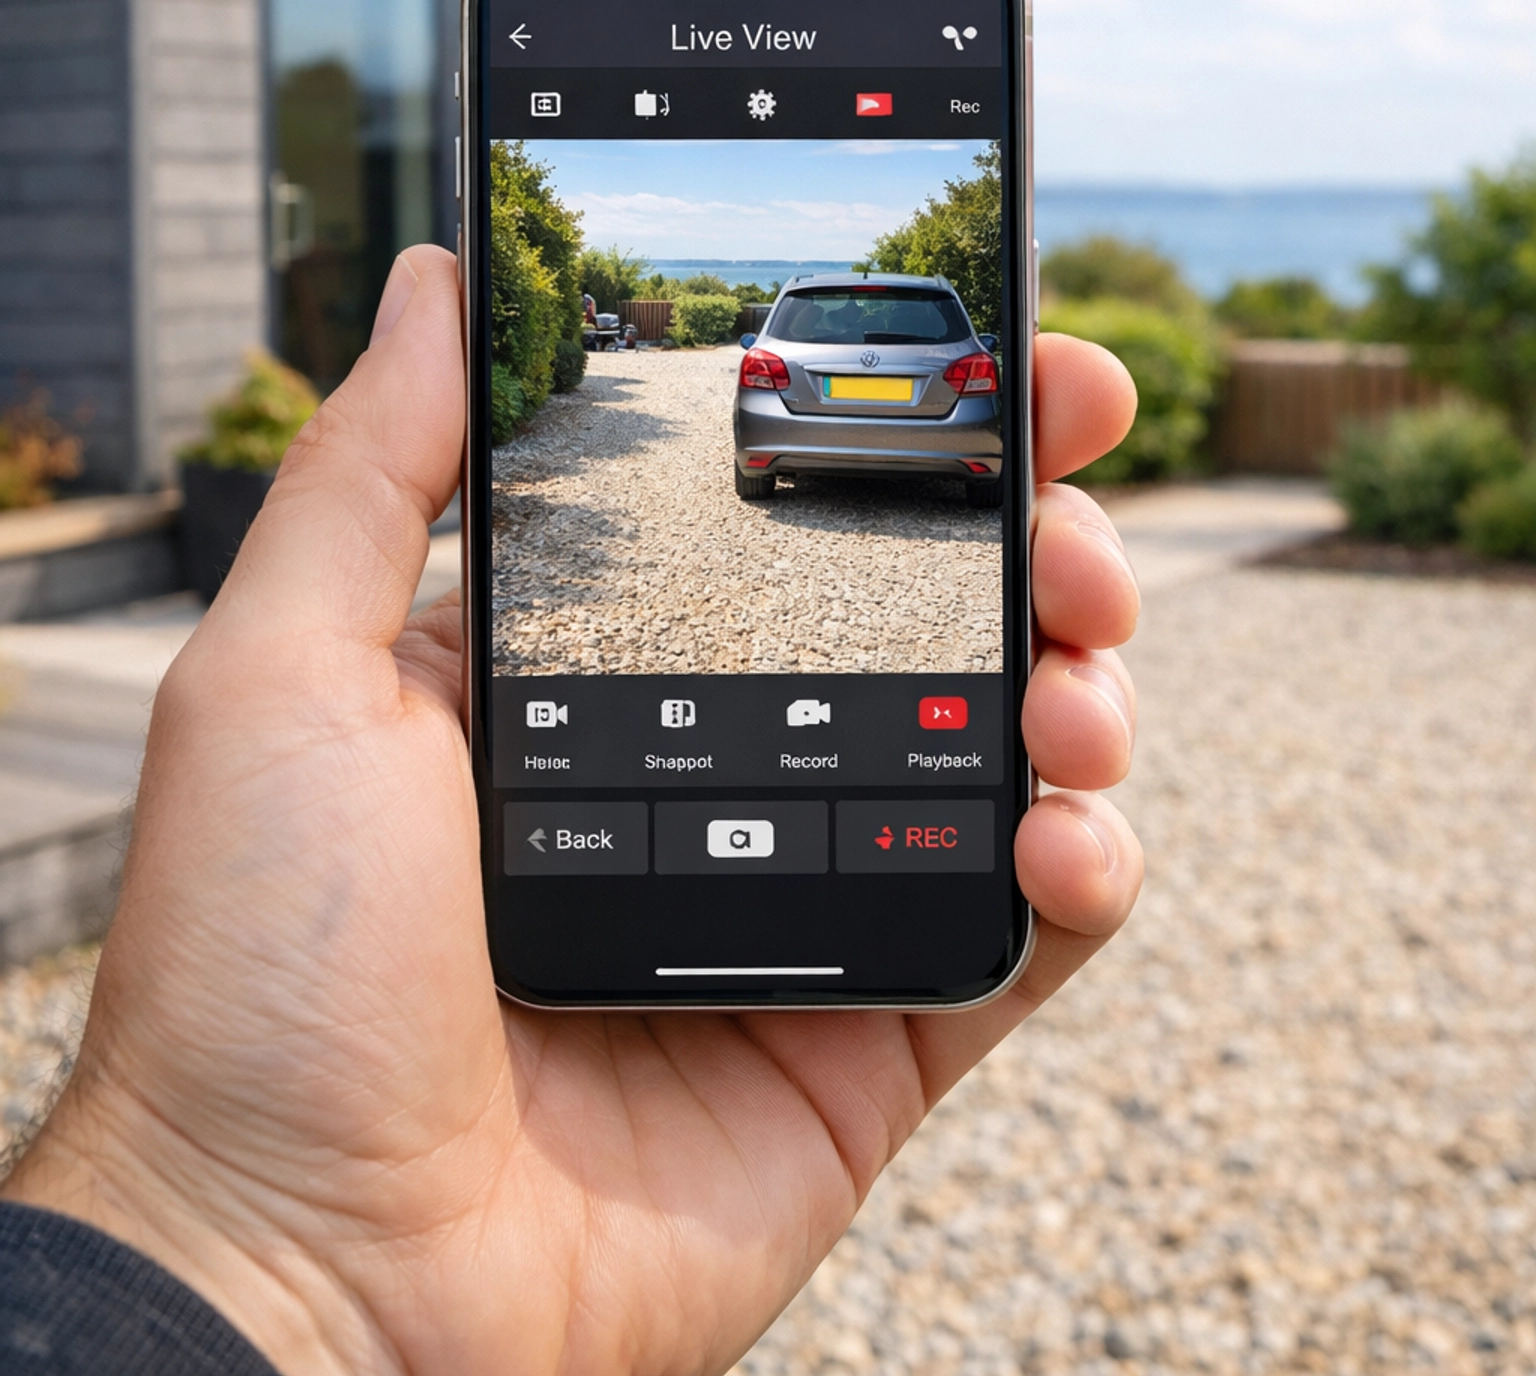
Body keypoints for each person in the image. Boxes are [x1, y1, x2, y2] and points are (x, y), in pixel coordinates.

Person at [0, 247, 1143, 1375]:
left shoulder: (785, 345)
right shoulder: (953, 349)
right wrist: (253, 1229)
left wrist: (212, 1239)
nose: (862, 360)